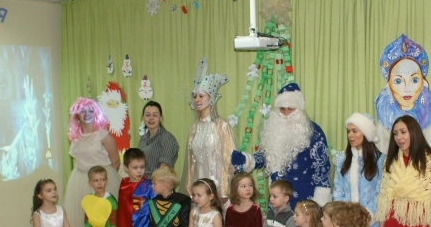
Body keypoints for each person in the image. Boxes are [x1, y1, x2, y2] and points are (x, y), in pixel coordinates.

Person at [231, 83, 331, 208]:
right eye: (282, 109)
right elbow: (263, 156)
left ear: (299, 108)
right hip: (277, 196)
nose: (286, 113)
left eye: (291, 108)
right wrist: (247, 160)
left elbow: (322, 166)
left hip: (304, 197)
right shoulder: (272, 130)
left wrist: (321, 198)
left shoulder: (313, 131)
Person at [64, 98, 121, 227]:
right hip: (82, 182)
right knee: (89, 226)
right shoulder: (75, 137)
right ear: (77, 115)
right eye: (83, 111)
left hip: (102, 181)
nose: (87, 114)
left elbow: (115, 161)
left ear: (95, 113)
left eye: (90, 110)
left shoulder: (103, 135)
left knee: (107, 226)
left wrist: (104, 183)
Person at [374, 34, 431, 155]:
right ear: (389, 86)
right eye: (398, 81)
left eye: (414, 80)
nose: (406, 89)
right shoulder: (386, 119)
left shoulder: (425, 118)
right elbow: (381, 156)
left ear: (423, 83)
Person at [182, 58, 237, 201]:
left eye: (201, 96)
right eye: (194, 96)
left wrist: (223, 191)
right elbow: (190, 163)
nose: (197, 100)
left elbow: (228, 160)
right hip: (198, 189)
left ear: (211, 98)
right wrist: (189, 190)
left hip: (216, 188)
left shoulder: (221, 126)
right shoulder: (194, 128)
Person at [332, 113, 384, 227]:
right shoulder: (343, 159)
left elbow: (381, 194)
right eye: (348, 131)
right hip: (346, 224)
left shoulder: (380, 160)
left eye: (355, 131)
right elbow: (338, 190)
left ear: (366, 133)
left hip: (371, 223)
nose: (350, 135)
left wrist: (365, 218)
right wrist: (345, 217)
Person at [138, 101, 180, 178]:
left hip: (159, 182)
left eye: (155, 115)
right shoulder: (142, 139)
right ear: (143, 117)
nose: (151, 118)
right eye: (147, 115)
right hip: (143, 181)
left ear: (160, 117)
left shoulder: (167, 138)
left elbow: (164, 169)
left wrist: (153, 183)